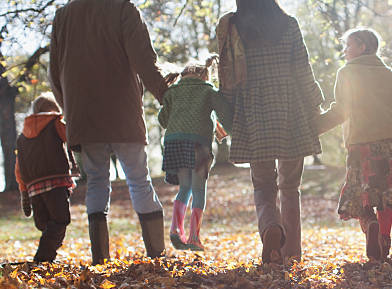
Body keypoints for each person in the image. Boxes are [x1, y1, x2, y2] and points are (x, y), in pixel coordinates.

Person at [48, 0, 169, 265]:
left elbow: (54, 73)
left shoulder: (63, 16)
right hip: (122, 112)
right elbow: (144, 60)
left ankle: (100, 259)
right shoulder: (123, 9)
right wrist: (165, 95)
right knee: (139, 179)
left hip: (84, 115)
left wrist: (70, 109)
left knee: (97, 183)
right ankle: (157, 256)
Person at [217, 0, 323, 264]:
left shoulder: (233, 27)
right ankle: (292, 252)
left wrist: (227, 109)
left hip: (252, 108)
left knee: (263, 185)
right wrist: (315, 102)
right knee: (290, 186)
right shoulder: (288, 24)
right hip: (290, 107)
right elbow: (302, 68)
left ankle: (271, 229)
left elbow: (227, 72)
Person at [318, 28, 392, 260]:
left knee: (361, 191)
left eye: (348, 45)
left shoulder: (346, 73)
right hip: (388, 144)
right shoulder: (387, 72)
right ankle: (383, 238)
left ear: (363, 46)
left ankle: (369, 222)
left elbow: (340, 111)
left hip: (360, 145)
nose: (344, 51)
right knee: (387, 193)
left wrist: (313, 128)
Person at [159, 56, 233, 251]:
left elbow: (163, 120)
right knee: (199, 189)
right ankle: (193, 237)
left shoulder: (173, 92)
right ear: (205, 75)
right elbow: (226, 114)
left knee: (185, 188)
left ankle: (175, 230)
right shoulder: (208, 91)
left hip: (175, 143)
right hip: (198, 144)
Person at [15, 93, 77, 263]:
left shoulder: (22, 137)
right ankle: (43, 259)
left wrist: (24, 192)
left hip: (34, 187)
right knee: (60, 220)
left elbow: (19, 168)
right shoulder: (55, 123)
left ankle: (47, 259)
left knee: (46, 224)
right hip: (55, 182)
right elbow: (71, 138)